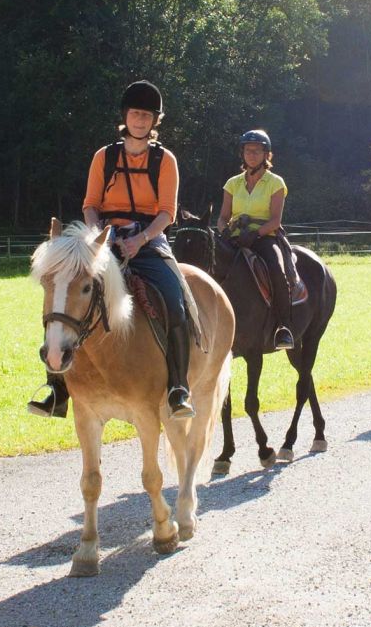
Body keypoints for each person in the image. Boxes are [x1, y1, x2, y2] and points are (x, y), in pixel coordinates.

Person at [27, 80, 196, 420]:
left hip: (149, 239)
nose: (140, 120)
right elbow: (91, 204)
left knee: (175, 300)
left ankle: (178, 387)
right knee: (63, 294)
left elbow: (167, 212)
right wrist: (96, 238)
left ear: (154, 121)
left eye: (146, 115)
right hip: (103, 240)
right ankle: (56, 388)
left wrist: (140, 239)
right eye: (135, 113)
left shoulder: (165, 160)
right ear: (125, 117)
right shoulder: (104, 158)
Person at [219, 129, 299, 350]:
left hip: (264, 238)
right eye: (247, 150)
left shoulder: (275, 182)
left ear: (266, 154)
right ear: (242, 154)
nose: (251, 154)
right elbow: (223, 217)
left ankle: (283, 327)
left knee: (277, 271)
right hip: (235, 237)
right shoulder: (232, 183)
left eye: (257, 150)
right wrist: (225, 231)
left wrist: (255, 234)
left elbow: (275, 220)